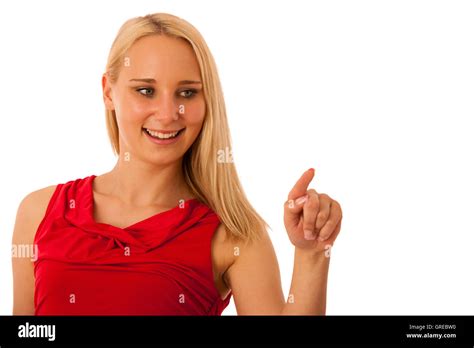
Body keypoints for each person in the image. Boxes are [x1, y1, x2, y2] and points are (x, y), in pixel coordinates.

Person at [12, 13, 343, 315]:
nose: (168, 114)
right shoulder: (39, 212)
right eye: (145, 90)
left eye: (187, 94)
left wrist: (312, 254)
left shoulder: (235, 234)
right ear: (108, 92)